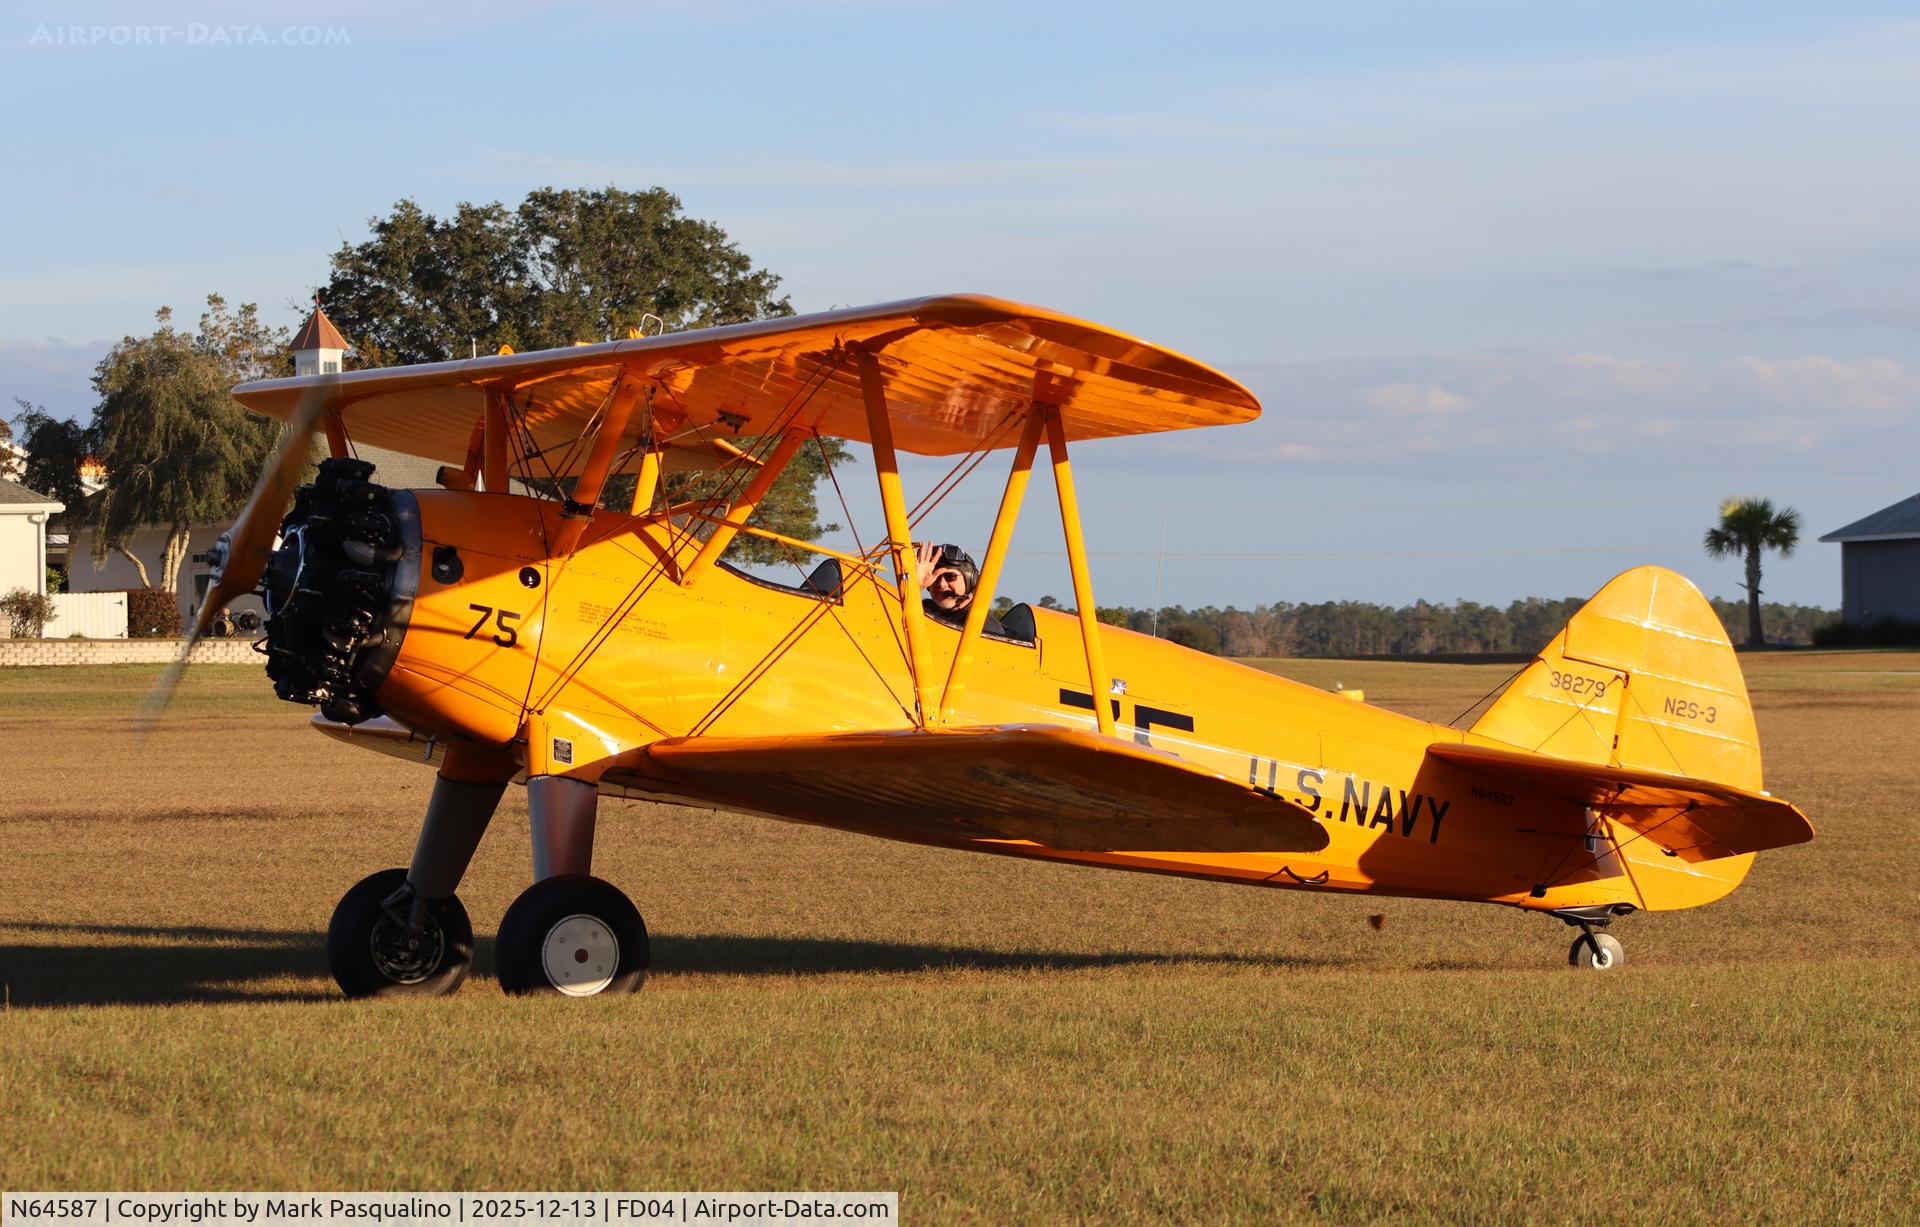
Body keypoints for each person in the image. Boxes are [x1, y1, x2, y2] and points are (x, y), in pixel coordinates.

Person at [912, 542, 1006, 636]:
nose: (941, 584)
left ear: (970, 580)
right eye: (935, 577)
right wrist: (916, 586)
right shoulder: (924, 609)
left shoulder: (983, 626)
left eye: (950, 577)